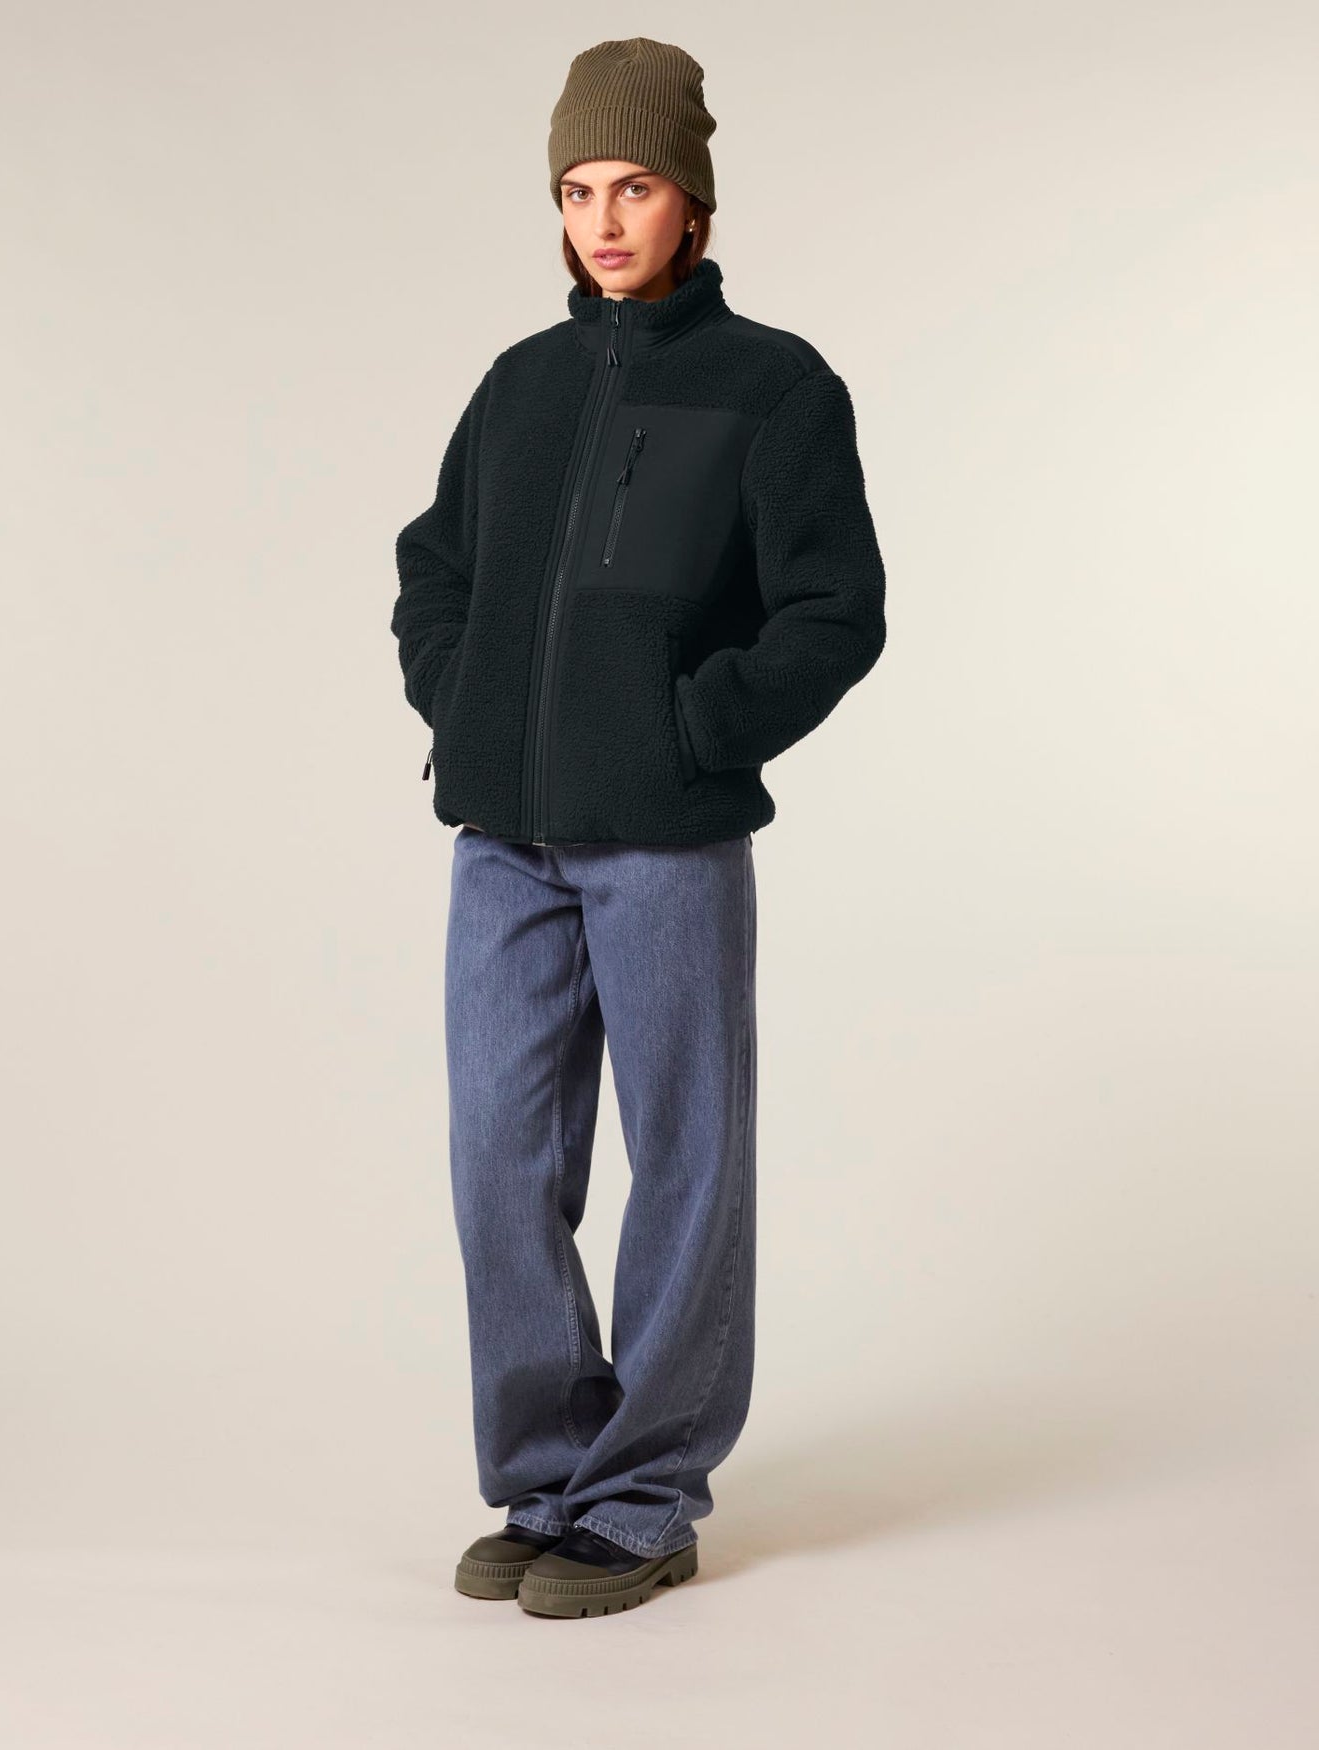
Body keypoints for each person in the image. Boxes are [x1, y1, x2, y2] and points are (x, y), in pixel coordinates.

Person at [391, 36, 887, 1618]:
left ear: (693, 200)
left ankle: (646, 1493)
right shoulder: (518, 387)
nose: (604, 222)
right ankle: (549, 1476)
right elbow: (432, 569)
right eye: (577, 191)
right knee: (499, 1156)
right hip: (505, 842)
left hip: (666, 844)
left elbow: (836, 612)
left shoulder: (775, 388)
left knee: (685, 1160)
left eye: (635, 187)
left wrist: (692, 731)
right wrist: (462, 702)